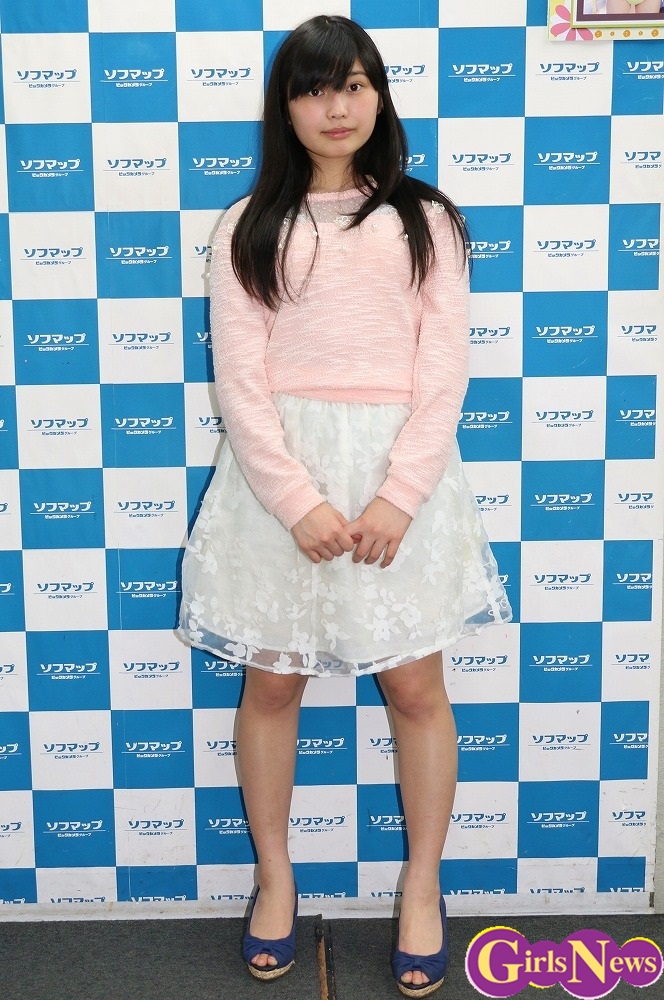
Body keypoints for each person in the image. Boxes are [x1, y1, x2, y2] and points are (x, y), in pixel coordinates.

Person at [178, 14, 511, 997]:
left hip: (399, 484)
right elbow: (241, 385)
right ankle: (275, 878)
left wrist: (399, 496)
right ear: (285, 106)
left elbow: (442, 373)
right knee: (272, 687)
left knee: (415, 691)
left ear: (379, 98)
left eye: (356, 84)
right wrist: (297, 501)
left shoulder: (426, 220)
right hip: (277, 487)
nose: (338, 105)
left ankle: (423, 886)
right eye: (316, 87)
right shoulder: (248, 226)